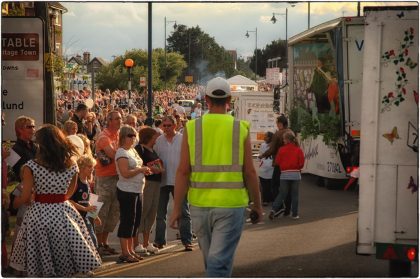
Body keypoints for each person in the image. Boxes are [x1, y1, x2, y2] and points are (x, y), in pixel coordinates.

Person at [169, 77, 263, 277]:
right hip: (231, 205)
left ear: (206, 99)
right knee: (218, 263)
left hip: (199, 205)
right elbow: (250, 172)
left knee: (213, 261)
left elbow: (183, 171)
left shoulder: (192, 128)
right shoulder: (241, 128)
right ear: (230, 99)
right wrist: (257, 204)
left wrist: (177, 208)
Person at [8, 124, 101, 277]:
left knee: (40, 257)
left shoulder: (31, 166)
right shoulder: (71, 165)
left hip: (39, 214)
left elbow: (24, 197)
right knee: (63, 256)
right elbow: (69, 193)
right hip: (63, 213)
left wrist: (14, 203)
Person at [153, 115, 193, 251]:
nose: (166, 128)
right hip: (163, 181)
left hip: (179, 181)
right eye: (164, 126)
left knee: (184, 212)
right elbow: (155, 159)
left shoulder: (182, 139)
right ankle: (159, 241)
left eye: (169, 125)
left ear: (175, 126)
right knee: (160, 213)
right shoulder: (159, 141)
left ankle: (187, 240)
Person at [115, 125, 151, 263]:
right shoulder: (121, 152)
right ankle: (125, 252)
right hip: (126, 190)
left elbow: (136, 167)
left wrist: (144, 170)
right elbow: (125, 173)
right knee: (127, 221)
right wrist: (140, 170)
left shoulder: (132, 151)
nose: (133, 138)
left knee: (135, 221)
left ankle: (130, 250)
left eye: (134, 136)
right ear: (123, 137)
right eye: (130, 136)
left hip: (137, 189)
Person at [94, 110, 122, 256]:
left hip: (116, 177)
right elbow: (115, 155)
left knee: (113, 213)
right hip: (105, 179)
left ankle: (104, 243)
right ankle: (98, 244)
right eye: (117, 118)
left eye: (120, 118)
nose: (119, 121)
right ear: (109, 120)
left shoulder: (118, 135)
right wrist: (123, 151)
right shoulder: (104, 137)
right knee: (101, 211)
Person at [134, 127, 163, 254]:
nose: (157, 138)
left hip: (156, 183)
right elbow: (137, 165)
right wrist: (153, 167)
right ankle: (136, 243)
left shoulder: (153, 149)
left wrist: (159, 167)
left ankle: (146, 242)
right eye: (155, 136)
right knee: (143, 211)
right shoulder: (139, 149)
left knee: (152, 212)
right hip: (147, 183)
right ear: (149, 137)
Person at [261, 115, 292, 217]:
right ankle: (287, 210)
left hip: (280, 164)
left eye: (277, 123)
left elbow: (272, 149)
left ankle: (279, 206)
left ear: (280, 123)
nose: (276, 125)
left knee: (274, 185)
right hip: (290, 165)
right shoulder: (291, 133)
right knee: (288, 187)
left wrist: (263, 155)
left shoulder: (278, 134)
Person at [269, 130, 304, 220]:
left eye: (284, 139)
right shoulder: (298, 150)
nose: (283, 141)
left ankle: (273, 210)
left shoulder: (281, 149)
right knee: (294, 195)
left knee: (282, 194)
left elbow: (277, 162)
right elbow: (301, 163)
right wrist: (297, 167)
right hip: (296, 175)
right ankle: (295, 214)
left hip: (284, 175)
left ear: (287, 140)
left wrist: (282, 166)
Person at [69, 155, 101, 249]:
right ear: (82, 167)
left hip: (84, 216)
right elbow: (69, 200)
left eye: (93, 167)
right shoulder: (75, 181)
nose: (92, 169)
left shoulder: (87, 181)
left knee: (93, 241)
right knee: (81, 242)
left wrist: (95, 215)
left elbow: (86, 201)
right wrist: (85, 208)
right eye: (90, 167)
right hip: (74, 217)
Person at [11, 116, 38, 182]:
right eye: (29, 127)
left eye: (33, 126)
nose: (33, 129)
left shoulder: (36, 146)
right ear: (20, 129)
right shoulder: (13, 150)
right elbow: (15, 175)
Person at [258, 131, 274, 206]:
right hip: (269, 168)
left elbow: (261, 155)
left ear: (270, 138)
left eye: (266, 136)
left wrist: (260, 159)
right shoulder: (274, 145)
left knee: (265, 185)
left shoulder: (264, 145)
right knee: (268, 184)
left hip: (266, 167)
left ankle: (266, 200)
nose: (264, 137)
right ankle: (269, 198)